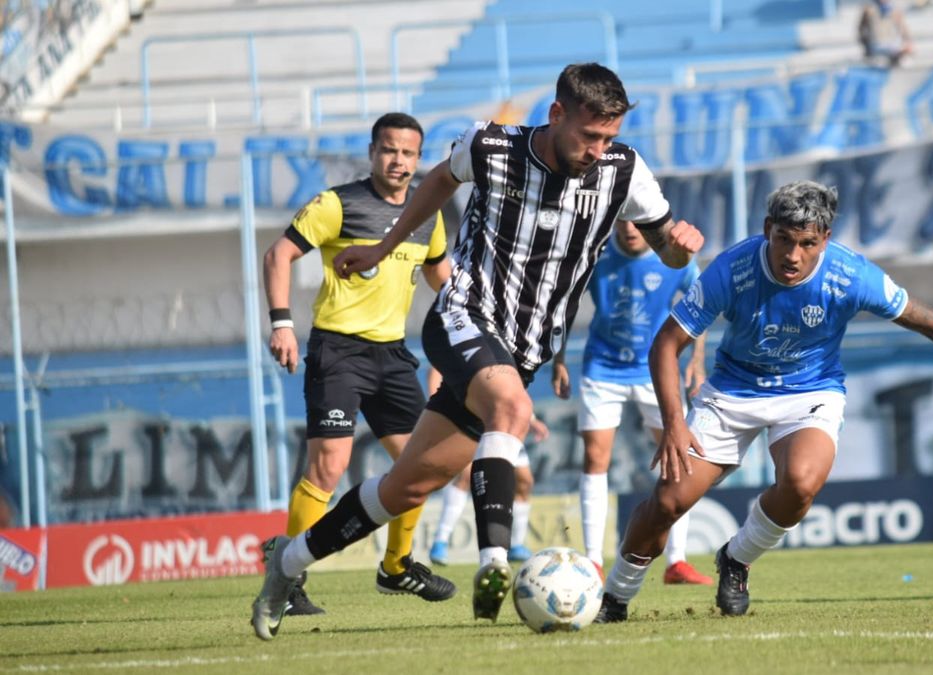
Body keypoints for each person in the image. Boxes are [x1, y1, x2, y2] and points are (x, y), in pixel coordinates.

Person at [250, 62, 704, 641]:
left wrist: (681, 248)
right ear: (557, 114)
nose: (598, 149)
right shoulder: (491, 144)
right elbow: (439, 181)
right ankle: (494, 566)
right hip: (465, 313)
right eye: (590, 136)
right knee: (510, 410)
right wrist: (386, 247)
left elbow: (667, 250)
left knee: (405, 487)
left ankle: (285, 565)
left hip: (527, 346)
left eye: (608, 138)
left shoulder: (625, 170)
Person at [593, 181, 933, 622]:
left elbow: (929, 322)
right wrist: (674, 425)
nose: (793, 255)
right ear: (768, 229)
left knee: (802, 483)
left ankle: (736, 560)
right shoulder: (733, 269)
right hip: (731, 391)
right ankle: (616, 596)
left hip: (809, 391)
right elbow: (666, 346)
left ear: (825, 238)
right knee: (669, 502)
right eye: (784, 239)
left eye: (808, 243)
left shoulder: (852, 275)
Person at [261, 112, 456, 616]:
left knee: (423, 464)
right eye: (389, 150)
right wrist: (282, 323)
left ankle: (396, 568)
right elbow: (279, 255)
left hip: (393, 356)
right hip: (339, 351)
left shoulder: (427, 214)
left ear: (418, 159)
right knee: (330, 464)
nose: (398, 161)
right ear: (372, 152)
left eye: (408, 153)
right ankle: (289, 576)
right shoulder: (337, 204)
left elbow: (443, 278)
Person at [551, 219, 710, 584]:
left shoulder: (676, 258)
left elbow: (700, 305)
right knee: (595, 458)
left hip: (656, 369)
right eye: (623, 219)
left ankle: (677, 562)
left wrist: (697, 364)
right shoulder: (595, 254)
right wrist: (558, 360)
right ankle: (593, 561)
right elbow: (564, 306)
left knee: (680, 456)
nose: (630, 227)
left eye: (639, 220)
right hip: (602, 368)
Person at [428, 414, 549, 566]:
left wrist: (530, 419)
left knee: (524, 481)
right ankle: (441, 541)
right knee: (466, 475)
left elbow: (514, 390)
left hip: (507, 426)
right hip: (474, 419)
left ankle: (516, 545)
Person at [858, 0, 914, 67]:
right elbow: (861, 30)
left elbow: (903, 30)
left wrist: (908, 42)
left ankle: (896, 60)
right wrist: (866, 47)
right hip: (876, 45)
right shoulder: (869, 10)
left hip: (892, 43)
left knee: (905, 51)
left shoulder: (895, 10)